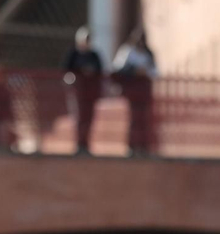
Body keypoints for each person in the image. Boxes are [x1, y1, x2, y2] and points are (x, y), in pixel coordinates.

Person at [112, 28, 158, 155]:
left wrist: (145, 71)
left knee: (144, 118)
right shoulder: (127, 52)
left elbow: (155, 72)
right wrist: (134, 71)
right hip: (131, 90)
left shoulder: (148, 54)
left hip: (144, 91)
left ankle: (144, 146)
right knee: (133, 118)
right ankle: (132, 146)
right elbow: (117, 69)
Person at [61, 26, 103, 155]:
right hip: (77, 91)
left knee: (89, 118)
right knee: (78, 117)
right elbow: (66, 71)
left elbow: (100, 71)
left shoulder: (94, 55)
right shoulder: (73, 54)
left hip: (91, 92)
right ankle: (78, 144)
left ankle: (86, 144)